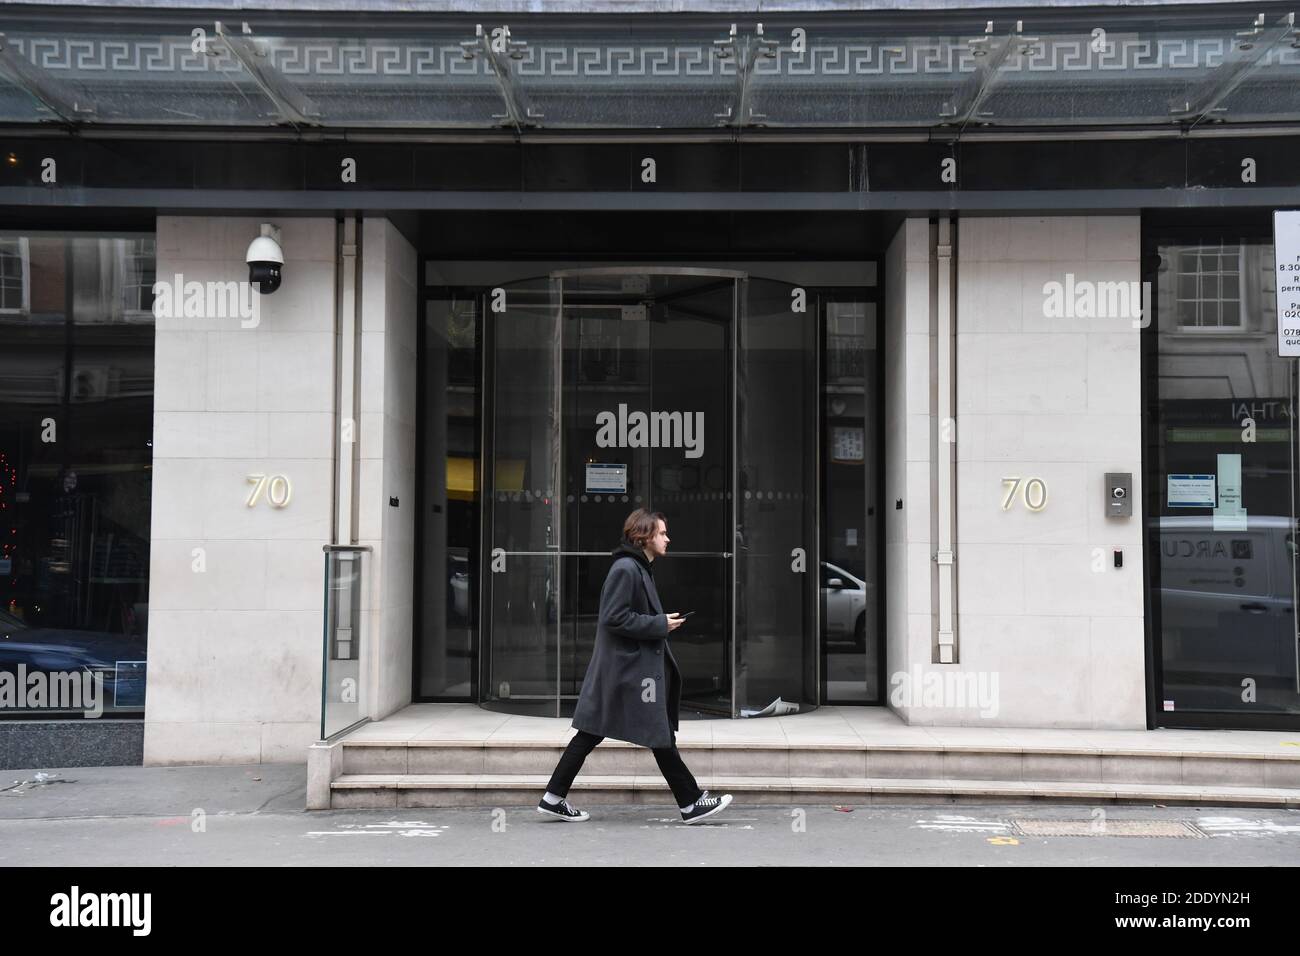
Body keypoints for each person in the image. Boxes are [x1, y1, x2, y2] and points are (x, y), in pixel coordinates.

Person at [537, 508, 733, 824]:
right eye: (662, 533)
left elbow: (625, 616)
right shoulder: (626, 569)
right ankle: (690, 802)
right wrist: (658, 624)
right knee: (656, 733)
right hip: (626, 672)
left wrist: (660, 622)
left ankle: (552, 797)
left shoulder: (637, 568)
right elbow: (613, 617)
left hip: (623, 670)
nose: (667, 538)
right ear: (644, 537)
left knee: (592, 733)